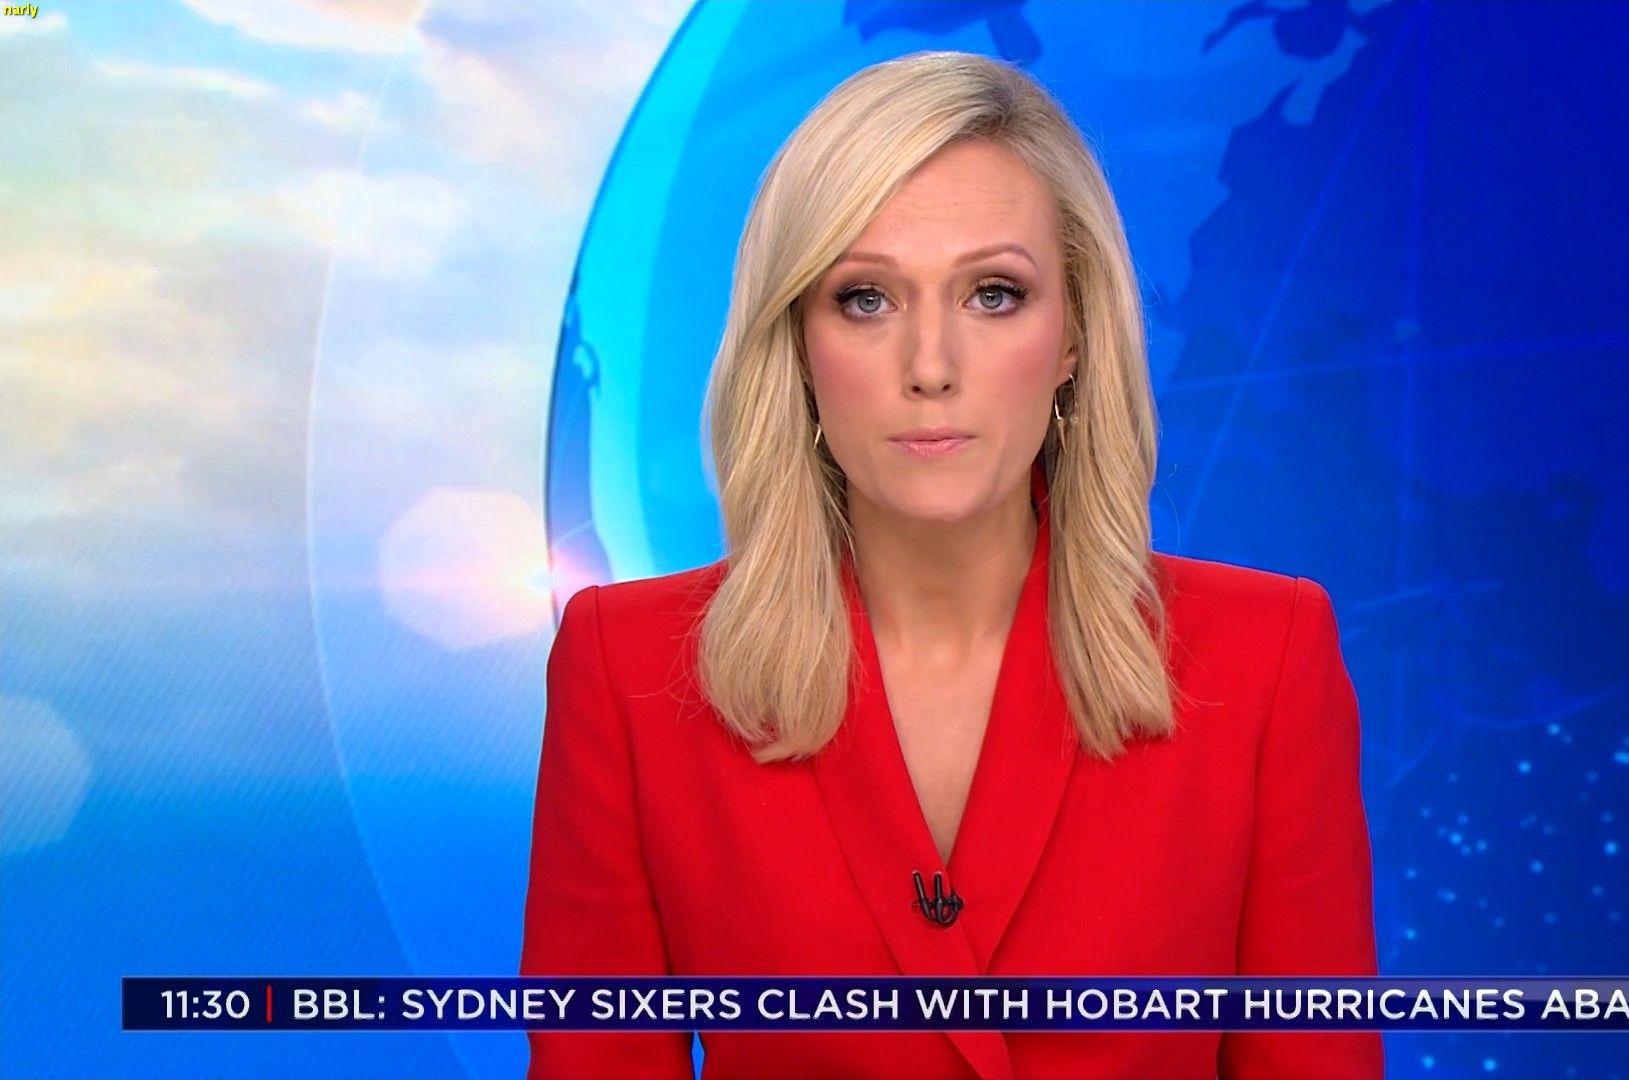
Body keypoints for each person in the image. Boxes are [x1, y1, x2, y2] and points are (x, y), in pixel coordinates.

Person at [521, 48, 1380, 1080]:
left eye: (994, 294)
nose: (930, 367)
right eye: (865, 299)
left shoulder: (1265, 658)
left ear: (1074, 338)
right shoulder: (626, 670)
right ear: (796, 343)